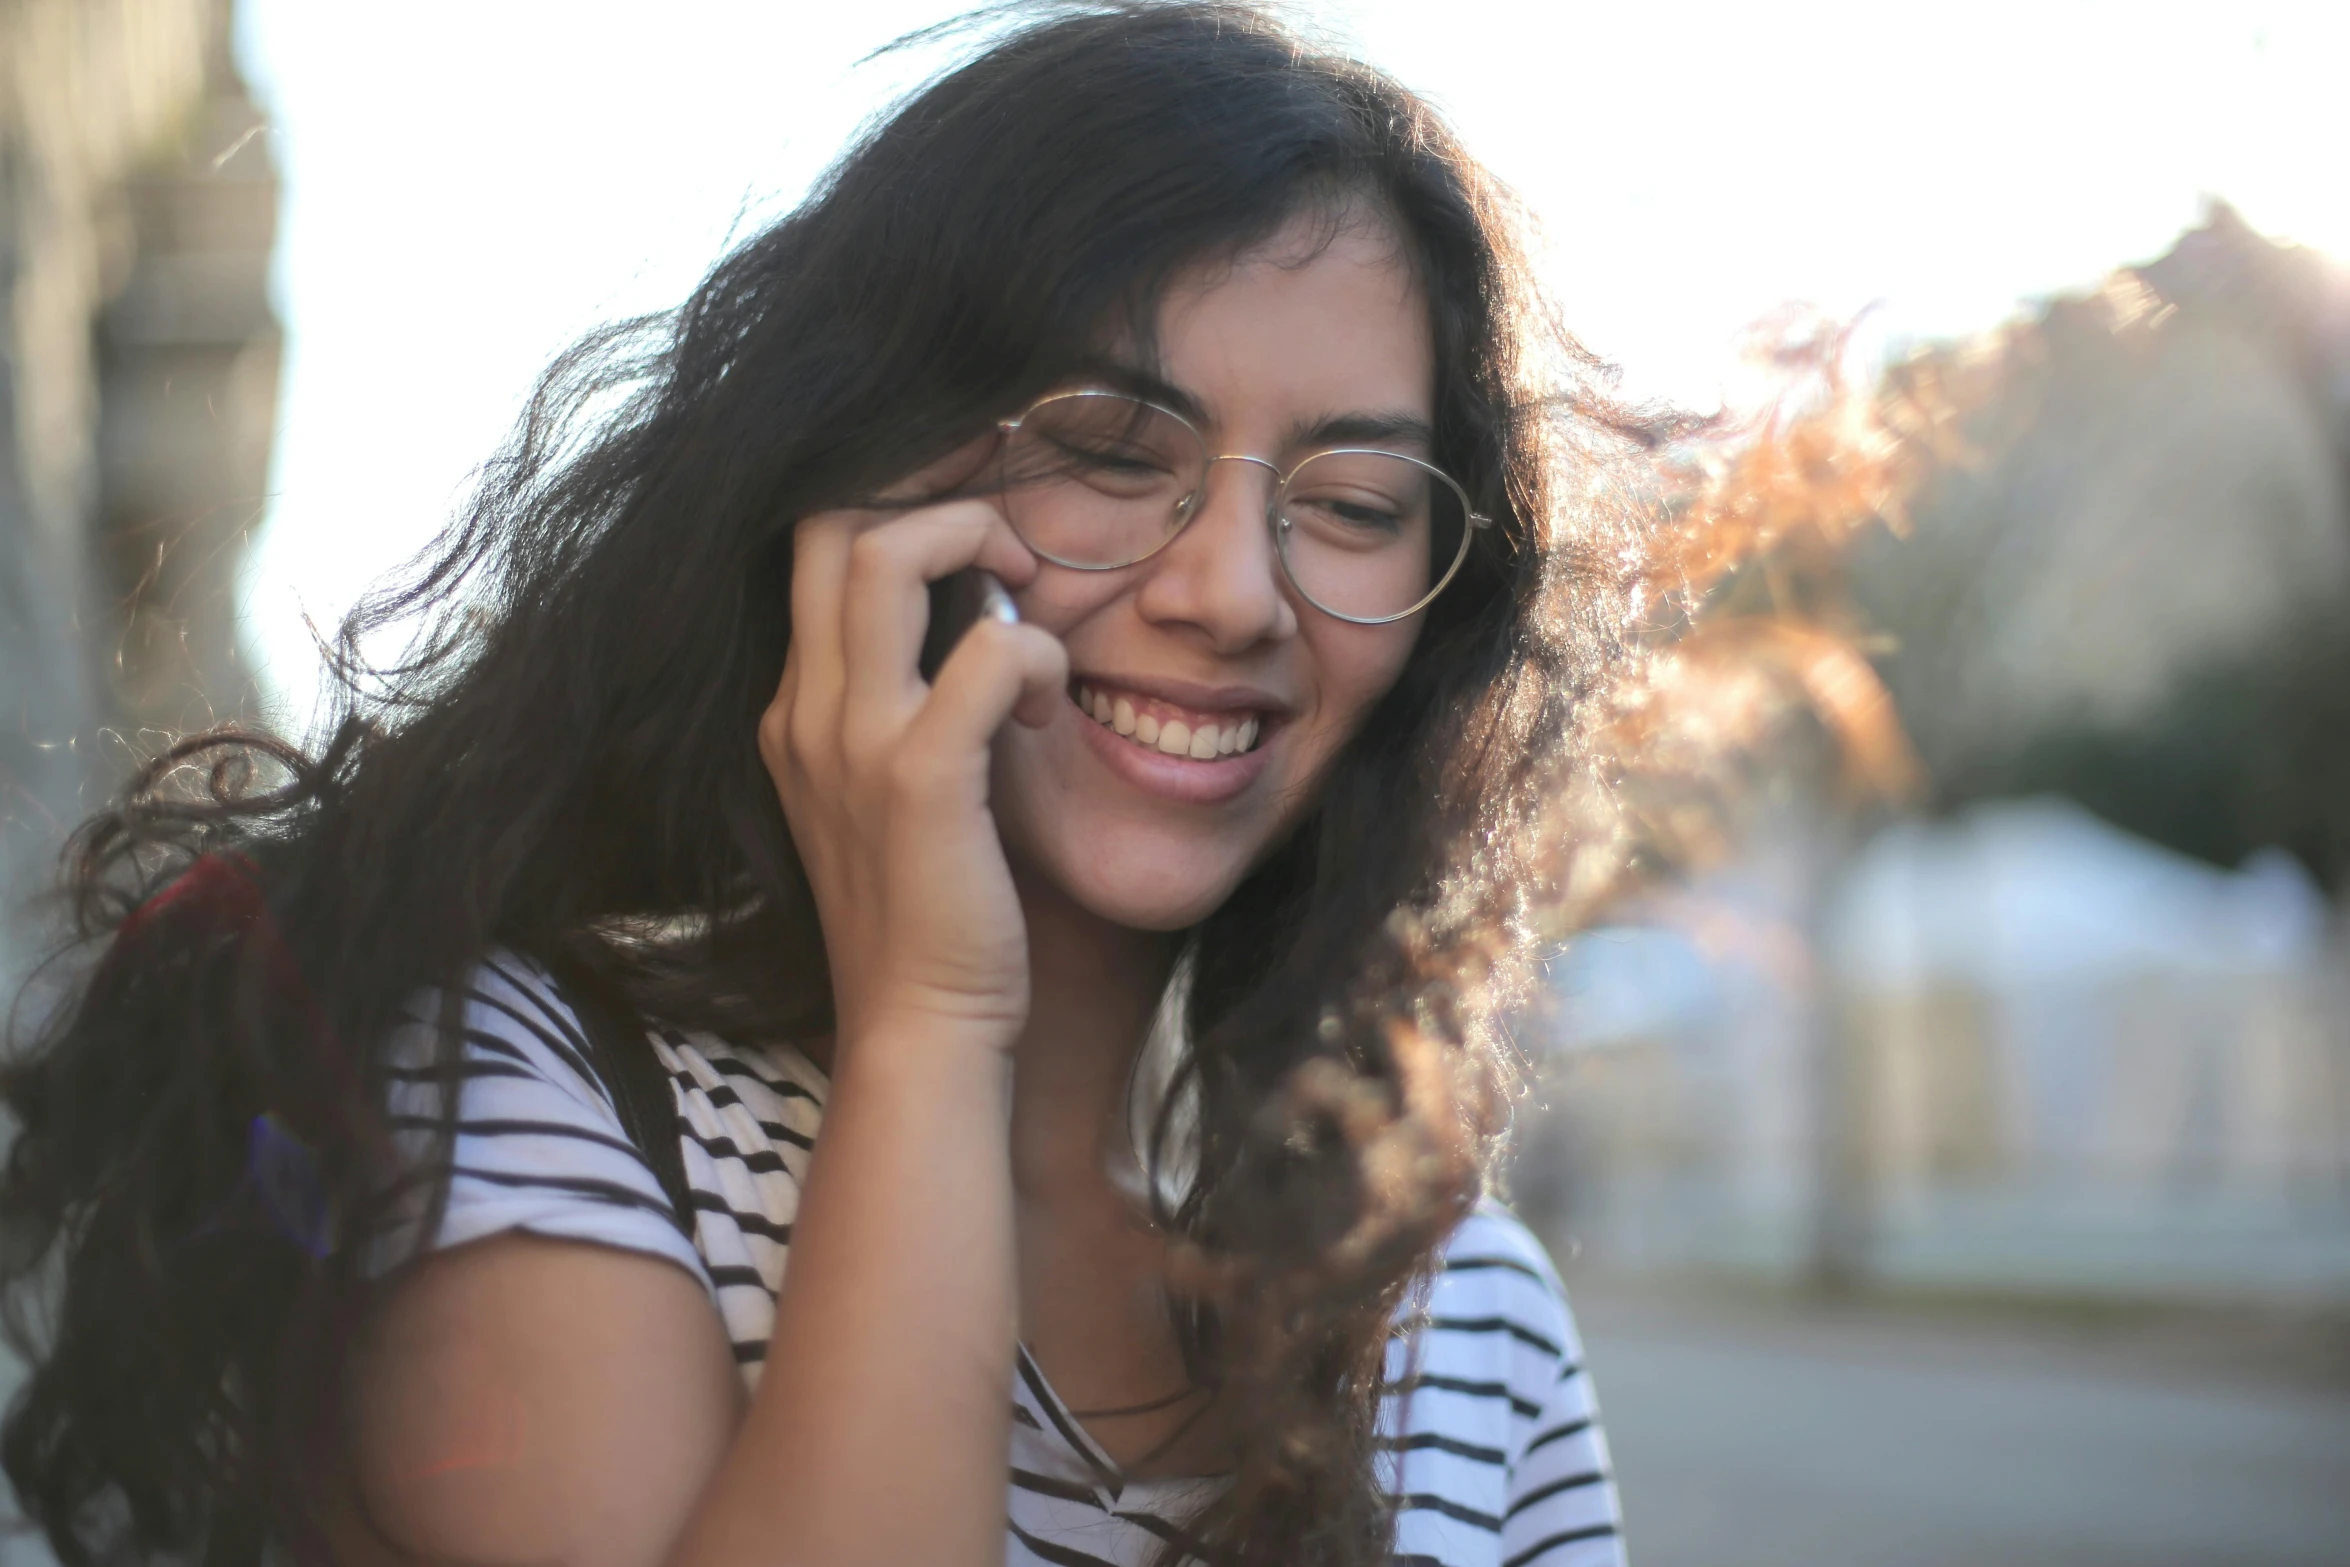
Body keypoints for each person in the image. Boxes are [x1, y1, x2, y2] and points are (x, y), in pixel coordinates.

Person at [1, 5, 1650, 1565]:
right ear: (864, 489)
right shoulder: (519, 1097)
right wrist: (931, 1010)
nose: (1230, 590)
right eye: (1106, 450)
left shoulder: (1458, 1317)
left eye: (1355, 502)